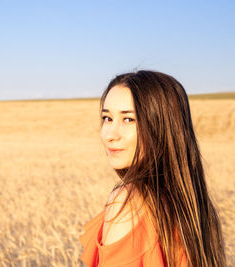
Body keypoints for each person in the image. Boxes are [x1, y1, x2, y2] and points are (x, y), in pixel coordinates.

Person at [79, 70, 226, 267]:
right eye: (107, 118)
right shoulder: (194, 206)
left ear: (160, 127)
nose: (110, 135)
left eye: (128, 119)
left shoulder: (128, 203)